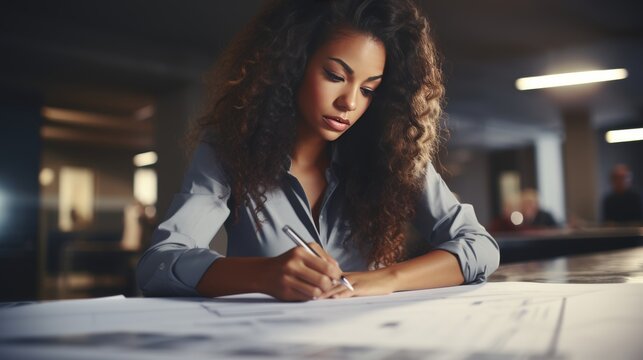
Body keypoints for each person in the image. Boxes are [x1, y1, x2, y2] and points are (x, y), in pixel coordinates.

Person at [136, 0, 499, 301]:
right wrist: (264, 274)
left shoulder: (395, 154)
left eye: (369, 89)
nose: (349, 102)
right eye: (335, 76)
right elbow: (159, 264)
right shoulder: (229, 148)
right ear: (292, 66)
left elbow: (480, 246)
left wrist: (388, 279)